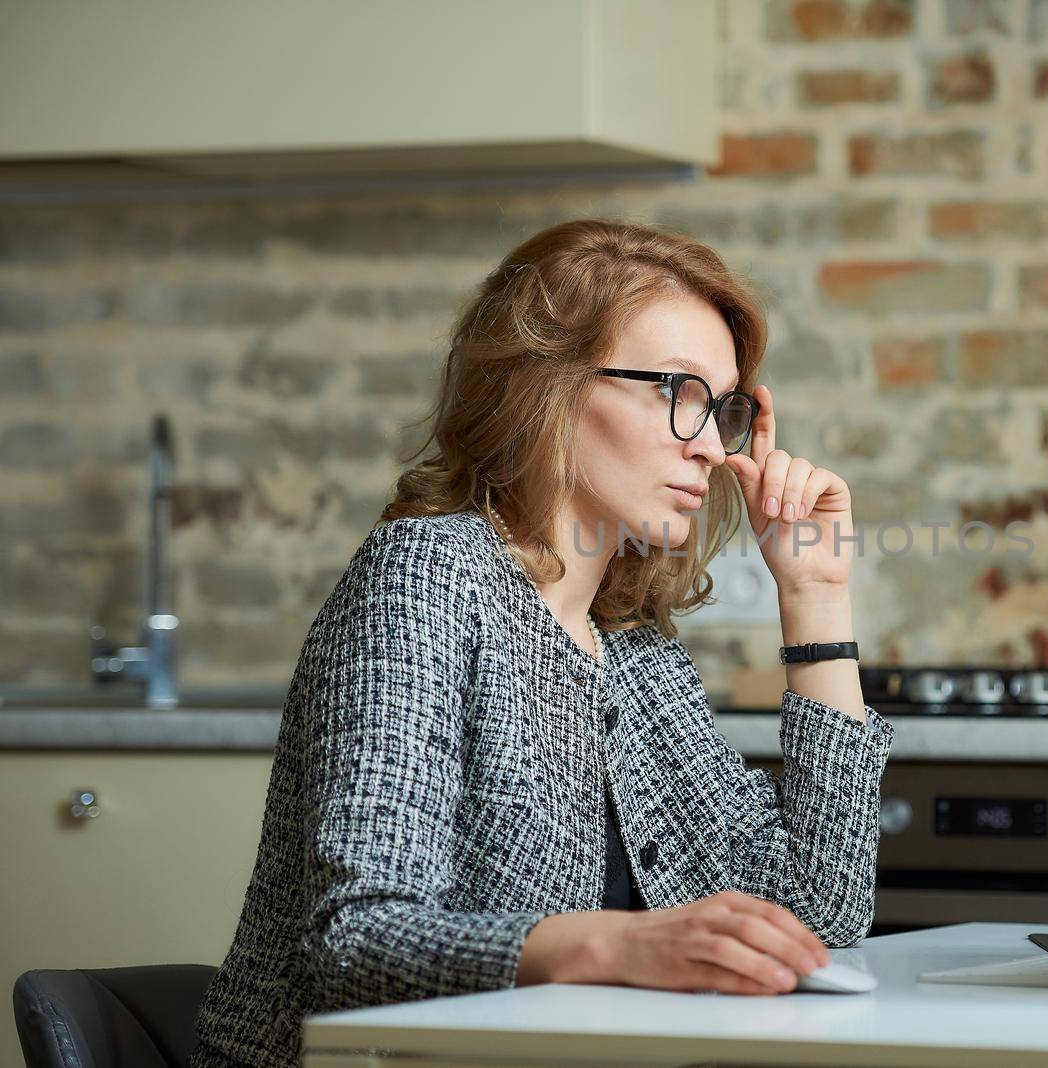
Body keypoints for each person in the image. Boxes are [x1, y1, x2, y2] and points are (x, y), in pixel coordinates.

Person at [188, 219, 894, 1068]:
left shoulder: (632, 652)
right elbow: (356, 940)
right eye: (678, 390)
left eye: (723, 405)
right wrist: (616, 947)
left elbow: (820, 918)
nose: (709, 443)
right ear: (547, 385)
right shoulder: (428, 575)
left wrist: (815, 599)